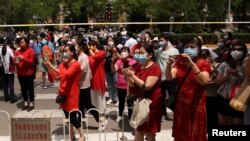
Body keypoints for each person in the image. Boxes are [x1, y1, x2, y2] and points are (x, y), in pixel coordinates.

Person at [166, 37, 211, 141]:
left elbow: (203, 81)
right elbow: (169, 77)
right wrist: (168, 65)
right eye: (187, 47)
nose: (189, 49)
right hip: (181, 104)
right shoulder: (179, 63)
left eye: (192, 47)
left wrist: (192, 65)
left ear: (199, 49)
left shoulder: (204, 63)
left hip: (196, 104)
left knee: (194, 132)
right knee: (181, 133)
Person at [44, 44, 85, 141]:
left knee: (73, 116)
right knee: (67, 116)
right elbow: (54, 75)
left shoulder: (76, 64)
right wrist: (48, 66)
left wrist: (51, 66)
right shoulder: (63, 64)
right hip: (63, 92)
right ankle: (72, 134)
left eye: (66, 51)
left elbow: (66, 74)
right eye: (63, 51)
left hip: (72, 93)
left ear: (72, 52)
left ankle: (82, 135)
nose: (64, 53)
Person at [123, 44, 163, 141]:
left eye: (142, 53)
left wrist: (132, 76)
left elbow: (147, 86)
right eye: (138, 53)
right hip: (141, 102)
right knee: (139, 130)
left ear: (150, 55)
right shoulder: (138, 66)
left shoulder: (155, 68)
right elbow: (133, 84)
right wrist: (128, 75)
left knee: (150, 133)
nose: (139, 55)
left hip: (152, 103)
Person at [215, 40, 248, 125]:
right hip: (224, 98)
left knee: (238, 123)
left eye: (240, 49)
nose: (237, 52)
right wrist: (227, 75)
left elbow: (246, 84)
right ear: (231, 51)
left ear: (244, 51)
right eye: (234, 49)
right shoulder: (224, 65)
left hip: (239, 99)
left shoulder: (246, 66)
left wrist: (237, 75)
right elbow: (218, 82)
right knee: (223, 123)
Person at [155, 33, 179, 119]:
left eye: (162, 40)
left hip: (170, 78)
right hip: (160, 78)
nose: (160, 42)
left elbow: (176, 64)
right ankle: (163, 113)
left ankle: (176, 112)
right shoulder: (158, 51)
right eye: (159, 41)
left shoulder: (174, 51)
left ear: (167, 40)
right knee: (161, 97)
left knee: (173, 96)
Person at [111, 46, 136, 123]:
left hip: (130, 85)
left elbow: (135, 73)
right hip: (120, 85)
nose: (123, 52)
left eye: (125, 51)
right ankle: (120, 115)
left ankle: (130, 117)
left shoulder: (133, 61)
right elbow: (114, 70)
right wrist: (112, 62)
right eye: (122, 51)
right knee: (121, 101)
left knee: (130, 102)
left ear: (129, 53)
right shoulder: (119, 61)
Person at [88, 40, 108, 131]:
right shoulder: (89, 56)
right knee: (94, 102)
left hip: (99, 80)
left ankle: (103, 121)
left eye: (91, 45)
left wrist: (90, 50)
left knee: (101, 102)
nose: (89, 47)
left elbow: (96, 56)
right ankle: (101, 120)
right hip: (92, 81)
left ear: (95, 45)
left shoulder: (102, 53)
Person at [15, 37, 36, 110]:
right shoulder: (18, 51)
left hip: (29, 73)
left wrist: (23, 58)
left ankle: (32, 102)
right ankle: (25, 102)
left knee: (30, 89)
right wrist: (16, 62)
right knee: (23, 89)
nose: (21, 44)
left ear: (27, 43)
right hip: (20, 74)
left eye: (22, 42)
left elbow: (31, 62)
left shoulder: (30, 51)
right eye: (20, 42)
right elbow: (16, 61)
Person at [105, 36, 118, 105]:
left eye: (111, 40)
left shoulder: (116, 48)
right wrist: (106, 50)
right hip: (107, 68)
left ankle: (116, 98)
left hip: (115, 68)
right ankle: (111, 98)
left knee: (116, 84)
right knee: (109, 85)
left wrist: (114, 50)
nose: (110, 42)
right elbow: (103, 57)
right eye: (108, 40)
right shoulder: (105, 49)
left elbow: (119, 57)